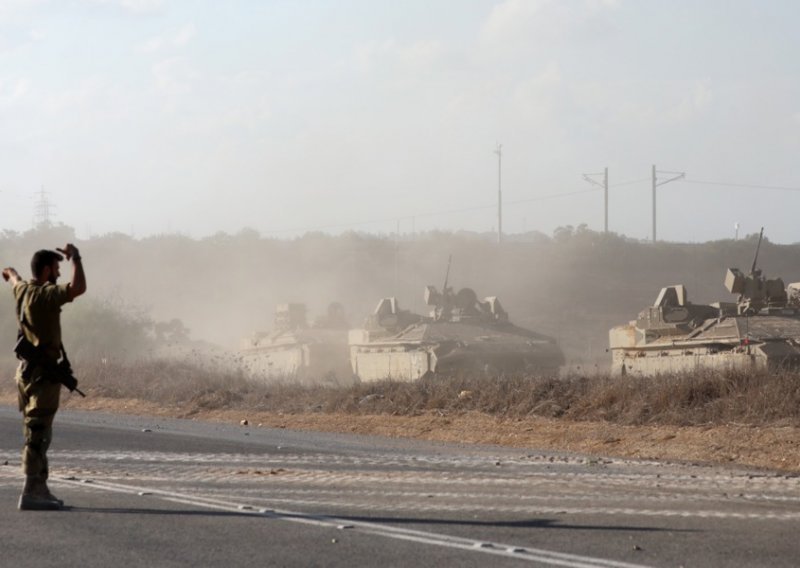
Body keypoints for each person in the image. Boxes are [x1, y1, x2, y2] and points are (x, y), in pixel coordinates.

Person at [3, 244, 86, 510]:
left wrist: (9, 272)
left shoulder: (23, 290)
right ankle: (30, 490)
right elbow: (78, 288)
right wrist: (76, 258)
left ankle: (41, 487)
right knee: (38, 433)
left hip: (25, 374)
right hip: (42, 377)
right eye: (57, 268)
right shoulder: (46, 295)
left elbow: (13, 277)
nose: (59, 273)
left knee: (36, 429)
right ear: (47, 269)